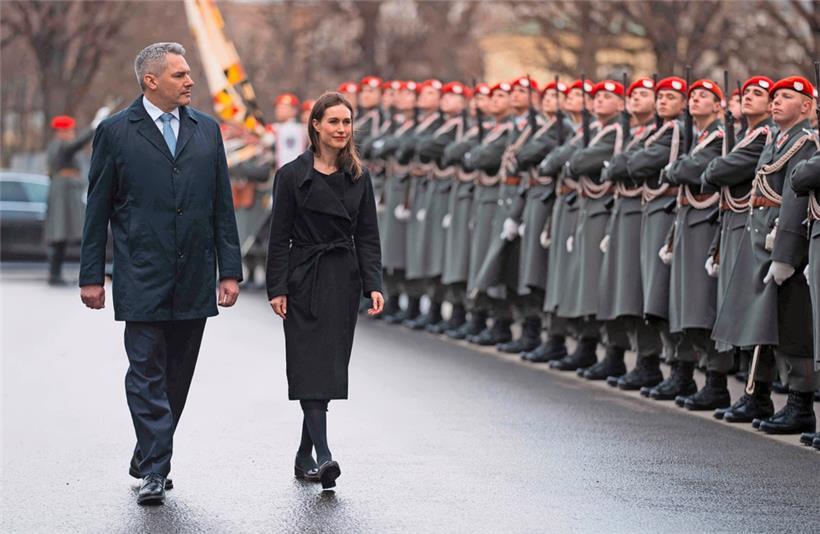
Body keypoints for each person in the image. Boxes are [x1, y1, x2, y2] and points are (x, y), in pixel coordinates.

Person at [79, 42, 242, 505]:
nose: (190, 80)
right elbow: (98, 208)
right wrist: (92, 275)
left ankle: (149, 447)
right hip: (141, 273)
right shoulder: (115, 132)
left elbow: (221, 206)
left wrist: (229, 271)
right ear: (151, 81)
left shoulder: (208, 132)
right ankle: (155, 468)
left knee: (177, 377)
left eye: (189, 73)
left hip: (194, 275)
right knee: (146, 371)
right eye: (179, 74)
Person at [266, 92, 384, 491]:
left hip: (342, 278)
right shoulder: (291, 176)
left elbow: (368, 234)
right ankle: (324, 454)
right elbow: (278, 236)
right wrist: (277, 287)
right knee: (308, 363)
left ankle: (304, 455)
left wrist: (374, 283)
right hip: (303, 277)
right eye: (333, 122)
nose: (340, 129)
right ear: (315, 125)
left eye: (346, 123)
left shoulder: (358, 177)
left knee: (327, 367)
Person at [712, 76, 817, 434]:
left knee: (791, 325)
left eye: (785, 97)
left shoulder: (804, 142)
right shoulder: (776, 139)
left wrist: (785, 254)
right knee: (762, 321)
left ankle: (801, 403)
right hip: (760, 239)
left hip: (782, 244)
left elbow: (794, 199)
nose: (775, 102)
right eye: (774, 97)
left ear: (806, 107)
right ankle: (758, 393)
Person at [45, 108, 109, 285]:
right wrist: (94, 126)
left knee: (66, 234)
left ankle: (57, 273)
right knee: (61, 234)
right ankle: (55, 274)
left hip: (69, 191)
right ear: (61, 131)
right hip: (64, 193)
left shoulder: (60, 146)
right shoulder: (60, 145)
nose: (72, 134)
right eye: (70, 131)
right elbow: (76, 144)